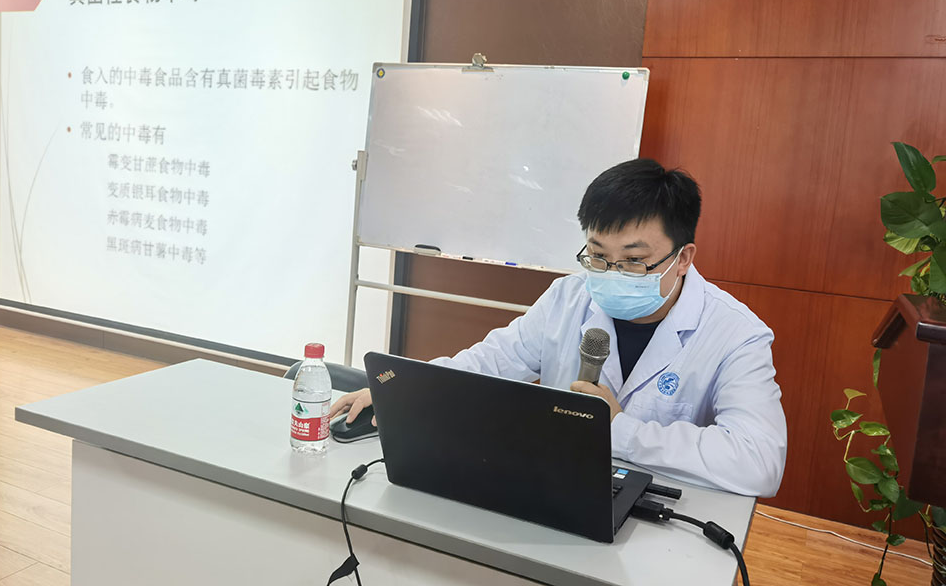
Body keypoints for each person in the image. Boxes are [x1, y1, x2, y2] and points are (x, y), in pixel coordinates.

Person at [332, 158, 787, 497]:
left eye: (634, 260)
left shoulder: (735, 334)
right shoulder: (569, 297)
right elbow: (493, 361)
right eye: (597, 255)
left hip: (661, 511)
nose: (610, 273)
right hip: (556, 487)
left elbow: (759, 461)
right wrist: (406, 390)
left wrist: (618, 428)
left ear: (683, 258)